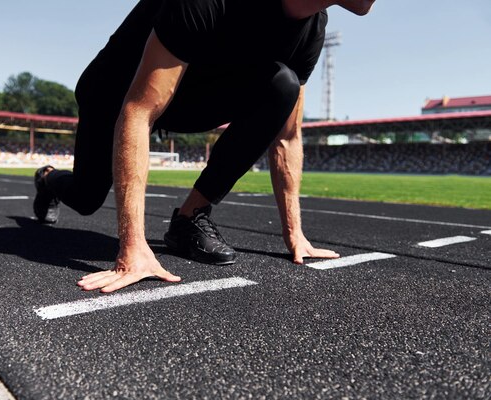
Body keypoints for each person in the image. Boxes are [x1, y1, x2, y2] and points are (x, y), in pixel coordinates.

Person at [33, 0, 376, 292]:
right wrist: (132, 248)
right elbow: (138, 109)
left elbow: (287, 136)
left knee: (282, 86)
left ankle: (190, 217)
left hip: (189, 95)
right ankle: (48, 179)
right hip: (114, 92)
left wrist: (295, 235)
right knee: (86, 197)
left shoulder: (313, 27)